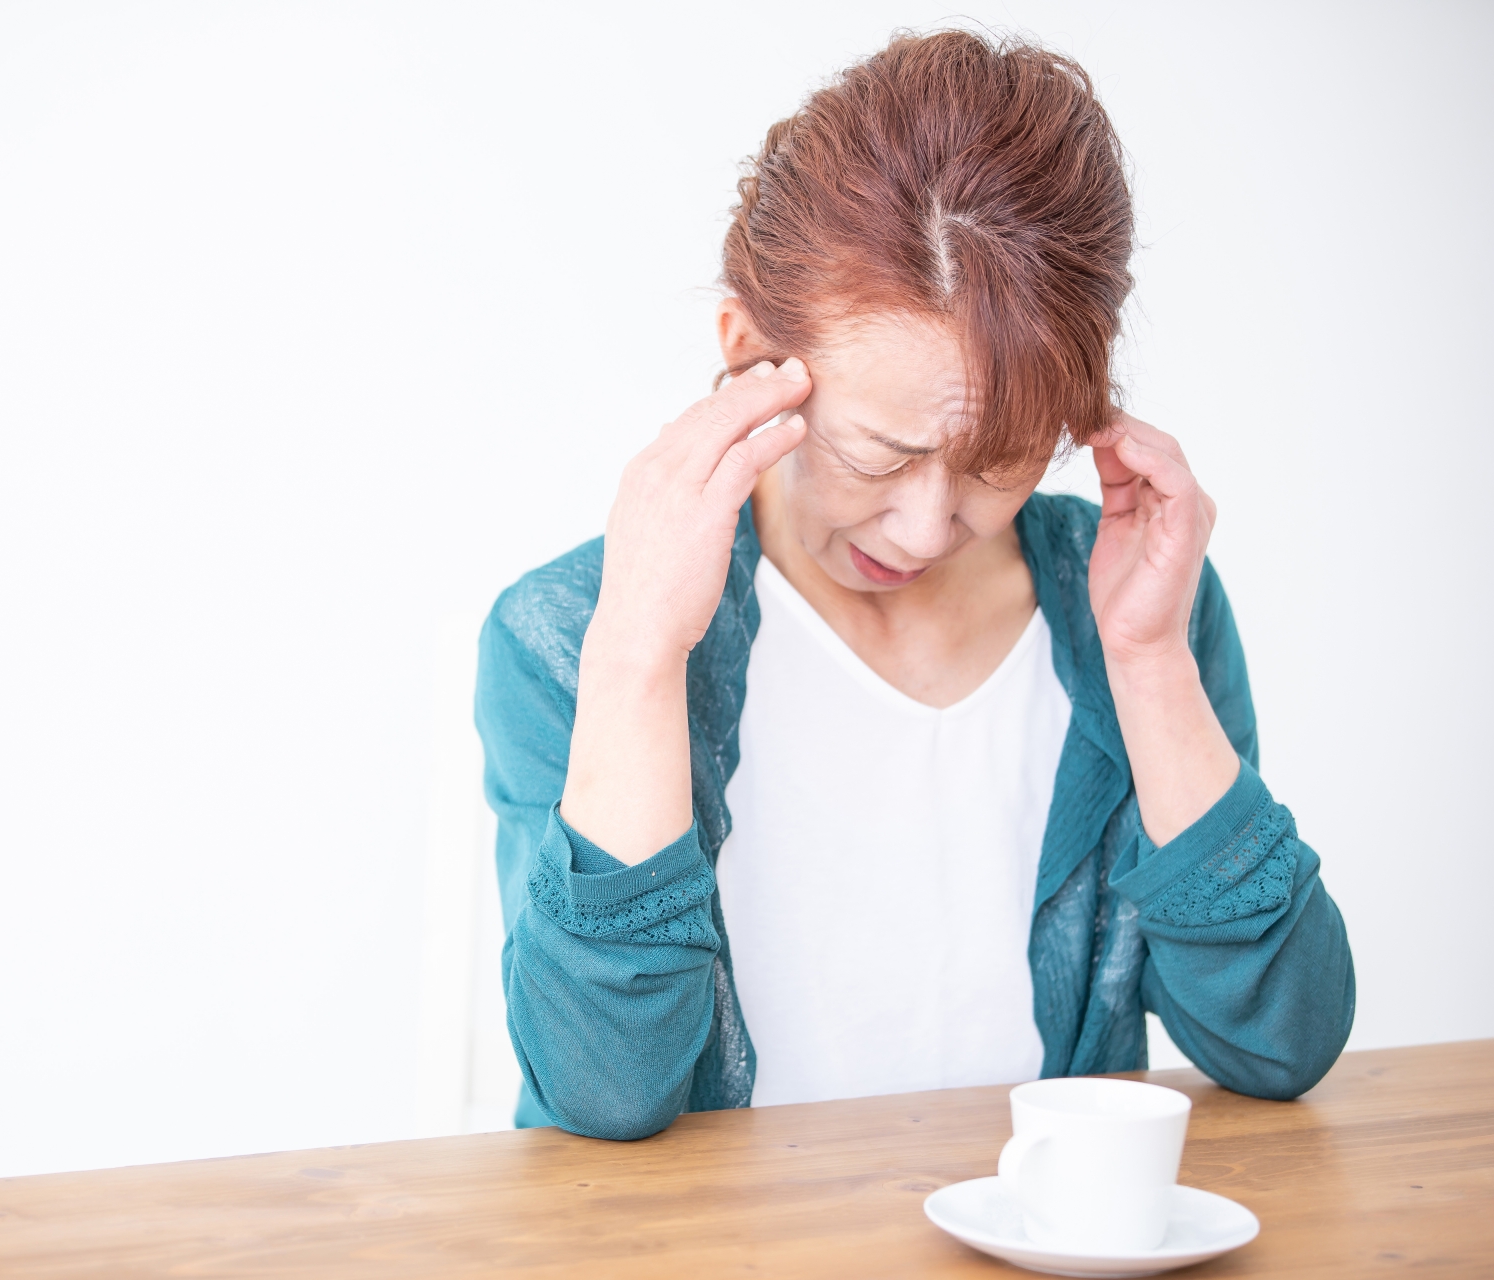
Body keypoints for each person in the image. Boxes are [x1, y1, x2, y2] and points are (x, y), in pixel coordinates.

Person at [473, 30, 1355, 1141]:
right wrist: (639, 657)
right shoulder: (568, 634)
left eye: (1003, 461)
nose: (929, 526)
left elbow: (1281, 1043)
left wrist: (1147, 664)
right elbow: (605, 1092)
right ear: (749, 354)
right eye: (879, 455)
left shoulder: (1132, 601)